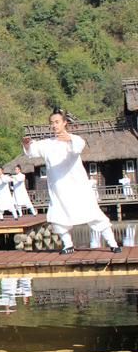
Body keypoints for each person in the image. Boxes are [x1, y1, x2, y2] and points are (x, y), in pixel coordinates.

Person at [22, 108, 121, 254]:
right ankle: (68, 245)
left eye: (57, 122)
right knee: (58, 216)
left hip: (77, 186)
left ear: (64, 123)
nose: (54, 125)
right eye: (52, 123)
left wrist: (68, 139)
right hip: (58, 189)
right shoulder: (47, 144)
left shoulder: (74, 139)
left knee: (93, 213)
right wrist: (26, 144)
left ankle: (113, 243)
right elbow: (32, 151)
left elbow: (78, 147)